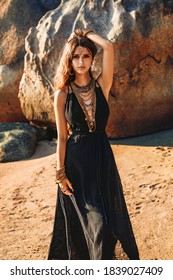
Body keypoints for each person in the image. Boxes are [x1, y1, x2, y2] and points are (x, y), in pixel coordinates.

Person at [48, 28, 139, 260]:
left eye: (86, 55)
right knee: (95, 226)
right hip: (77, 166)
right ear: (69, 59)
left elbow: (108, 47)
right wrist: (60, 174)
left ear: (91, 58)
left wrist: (85, 33)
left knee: (110, 224)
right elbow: (62, 136)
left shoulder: (101, 85)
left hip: (103, 160)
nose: (80, 61)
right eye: (75, 56)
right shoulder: (62, 94)